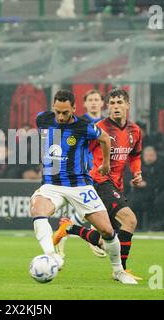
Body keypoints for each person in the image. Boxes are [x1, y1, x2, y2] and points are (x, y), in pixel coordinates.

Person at [31, 89, 137, 284]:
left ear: (74, 108)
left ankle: (118, 271)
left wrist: (105, 163)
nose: (61, 117)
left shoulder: (84, 127)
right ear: (53, 107)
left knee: (107, 231)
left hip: (80, 185)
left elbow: (104, 138)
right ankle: (50, 255)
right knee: (38, 210)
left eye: (65, 112)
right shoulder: (43, 119)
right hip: (52, 184)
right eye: (57, 112)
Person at [54, 89, 105, 256]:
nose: (93, 102)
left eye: (96, 99)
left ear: (102, 103)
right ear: (83, 104)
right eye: (90, 99)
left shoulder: (106, 123)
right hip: (84, 170)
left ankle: (69, 231)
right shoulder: (78, 122)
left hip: (102, 168)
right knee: (91, 206)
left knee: (96, 206)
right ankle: (76, 233)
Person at [127, 146, 164, 230]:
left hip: (154, 193)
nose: (149, 158)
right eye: (147, 156)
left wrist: (146, 184)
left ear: (155, 156)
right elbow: (128, 177)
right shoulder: (138, 165)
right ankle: (128, 224)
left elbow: (163, 181)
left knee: (134, 201)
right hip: (136, 191)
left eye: (151, 156)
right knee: (127, 201)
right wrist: (131, 182)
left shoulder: (161, 167)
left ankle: (134, 225)